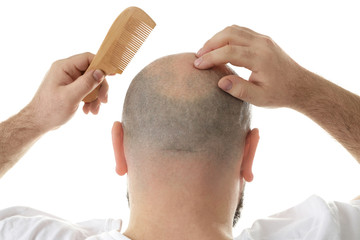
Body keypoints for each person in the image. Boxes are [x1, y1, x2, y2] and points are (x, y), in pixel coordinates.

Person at [0, 25, 359, 239]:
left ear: (119, 149)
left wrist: (34, 118)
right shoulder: (321, 231)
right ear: (249, 154)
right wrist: (304, 90)